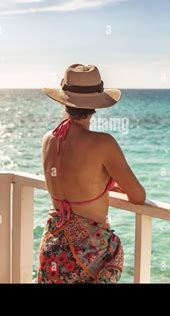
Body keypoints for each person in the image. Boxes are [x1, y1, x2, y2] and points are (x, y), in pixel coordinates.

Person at [37, 64, 145, 283]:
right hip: (86, 255)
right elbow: (138, 196)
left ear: (64, 100)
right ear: (96, 104)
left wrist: (102, 184)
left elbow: (71, 180)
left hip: (52, 247)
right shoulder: (103, 143)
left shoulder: (49, 139)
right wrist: (112, 184)